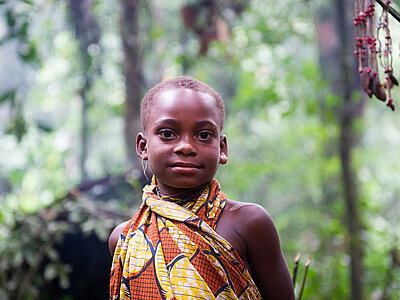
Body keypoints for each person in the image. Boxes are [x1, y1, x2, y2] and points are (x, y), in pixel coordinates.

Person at [108, 76, 294, 299]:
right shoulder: (125, 238)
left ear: (222, 148)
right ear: (143, 146)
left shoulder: (250, 223)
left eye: (204, 135)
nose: (186, 146)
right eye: (167, 134)